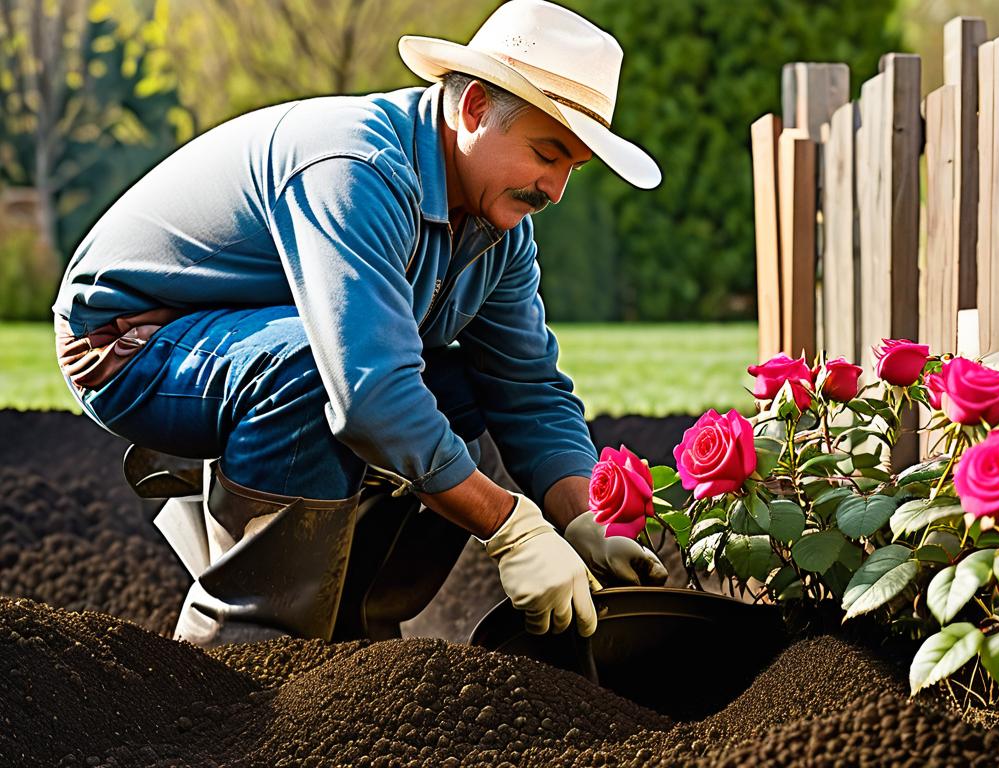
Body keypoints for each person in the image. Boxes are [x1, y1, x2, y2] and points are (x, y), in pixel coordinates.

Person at [52, 0, 668, 647]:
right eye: (548, 154)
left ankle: (354, 642)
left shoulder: (500, 234)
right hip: (133, 343)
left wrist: (581, 516)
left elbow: (528, 387)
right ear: (476, 108)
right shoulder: (359, 168)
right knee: (322, 374)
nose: (557, 188)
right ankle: (244, 648)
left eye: (574, 166)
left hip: (258, 339)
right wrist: (509, 523)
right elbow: (370, 391)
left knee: (455, 400)